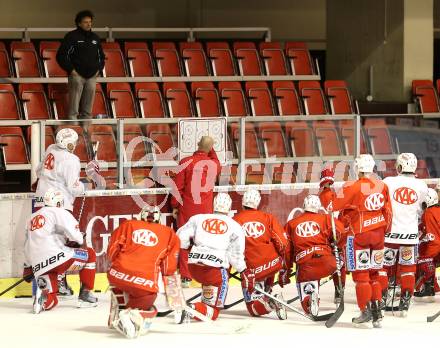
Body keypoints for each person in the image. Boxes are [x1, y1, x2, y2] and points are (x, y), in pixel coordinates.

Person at [34, 128, 99, 295]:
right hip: (59, 204)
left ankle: (50, 282)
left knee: (46, 242)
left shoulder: (51, 149)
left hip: (41, 201)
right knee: (63, 245)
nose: (75, 145)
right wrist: (87, 182)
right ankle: (60, 283)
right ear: (68, 143)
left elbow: (38, 169)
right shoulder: (72, 159)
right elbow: (74, 187)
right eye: (74, 142)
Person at [333, 154, 392, 328]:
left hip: (358, 235)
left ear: (357, 169)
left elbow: (333, 206)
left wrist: (326, 188)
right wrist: (383, 231)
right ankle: (377, 313)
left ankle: (365, 310)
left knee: (361, 276)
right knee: (375, 273)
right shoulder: (383, 185)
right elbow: (388, 211)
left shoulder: (351, 185)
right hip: (379, 234)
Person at [176, 193, 253, 322]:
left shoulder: (198, 218)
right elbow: (235, 255)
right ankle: (191, 308)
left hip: (194, 267)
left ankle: (201, 306)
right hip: (214, 271)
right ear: (229, 208)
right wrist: (244, 271)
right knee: (213, 314)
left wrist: (192, 248)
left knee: (207, 298)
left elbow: (180, 237)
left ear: (213, 205)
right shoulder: (235, 226)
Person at [106, 206, 180, 339]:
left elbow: (112, 251)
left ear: (140, 216)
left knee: (125, 286)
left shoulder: (127, 225)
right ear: (159, 219)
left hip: (116, 275)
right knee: (150, 302)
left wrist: (119, 268)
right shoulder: (169, 233)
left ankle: (120, 301)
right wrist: (174, 298)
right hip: (143, 281)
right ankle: (128, 315)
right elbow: (168, 268)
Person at [23, 188, 97, 314]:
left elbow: (26, 245)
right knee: (90, 255)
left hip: (40, 265)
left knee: (52, 300)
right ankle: (85, 296)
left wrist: (28, 267)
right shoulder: (59, 212)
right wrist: (78, 239)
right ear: (59, 202)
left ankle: (43, 299)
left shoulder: (31, 218)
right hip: (58, 259)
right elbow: (77, 238)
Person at [380, 153, 428, 316]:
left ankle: (381, 299)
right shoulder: (422, 185)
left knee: (383, 268)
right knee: (408, 269)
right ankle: (405, 302)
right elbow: (422, 209)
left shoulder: (388, 182)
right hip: (410, 235)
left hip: (390, 235)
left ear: (399, 167)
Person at [282, 195, 345, 316]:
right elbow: (342, 233)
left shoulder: (291, 224)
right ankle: (339, 290)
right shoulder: (327, 218)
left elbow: (287, 251)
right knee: (341, 261)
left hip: (306, 266)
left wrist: (286, 271)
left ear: (304, 206)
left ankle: (311, 299)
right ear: (318, 207)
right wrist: (335, 246)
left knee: (308, 310)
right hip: (328, 262)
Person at [171, 136, 221, 286]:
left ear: (198, 144)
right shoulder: (214, 164)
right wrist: (209, 148)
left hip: (187, 207)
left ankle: (186, 276)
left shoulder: (185, 162)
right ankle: (204, 273)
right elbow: (214, 157)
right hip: (205, 209)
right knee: (204, 242)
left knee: (185, 241)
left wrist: (174, 205)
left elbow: (177, 187)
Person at [233, 189, 288, 319]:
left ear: (243, 202)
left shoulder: (235, 220)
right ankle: (266, 297)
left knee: (253, 309)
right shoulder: (268, 217)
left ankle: (271, 301)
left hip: (251, 270)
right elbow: (282, 244)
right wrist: (282, 264)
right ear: (258, 203)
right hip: (272, 265)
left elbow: (230, 248)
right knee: (263, 290)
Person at [56, 10, 105, 120]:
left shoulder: (95, 38)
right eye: (85, 22)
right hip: (77, 76)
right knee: (74, 109)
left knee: (87, 111)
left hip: (92, 76)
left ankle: (85, 131)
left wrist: (99, 70)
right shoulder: (71, 36)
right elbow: (61, 56)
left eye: (90, 22)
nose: (88, 24)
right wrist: (71, 70)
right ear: (79, 23)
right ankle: (73, 127)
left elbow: (101, 57)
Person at [318, 167, 347, 304]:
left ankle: (314, 291)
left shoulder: (321, 196)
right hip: (333, 232)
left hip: (326, 233)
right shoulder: (331, 195)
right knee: (339, 262)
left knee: (331, 261)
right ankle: (339, 289)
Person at [415, 188, 440, 301]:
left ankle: (429, 287)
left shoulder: (428, 213)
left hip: (436, 244)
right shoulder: (437, 210)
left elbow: (431, 235)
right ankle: (432, 287)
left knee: (423, 259)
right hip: (437, 243)